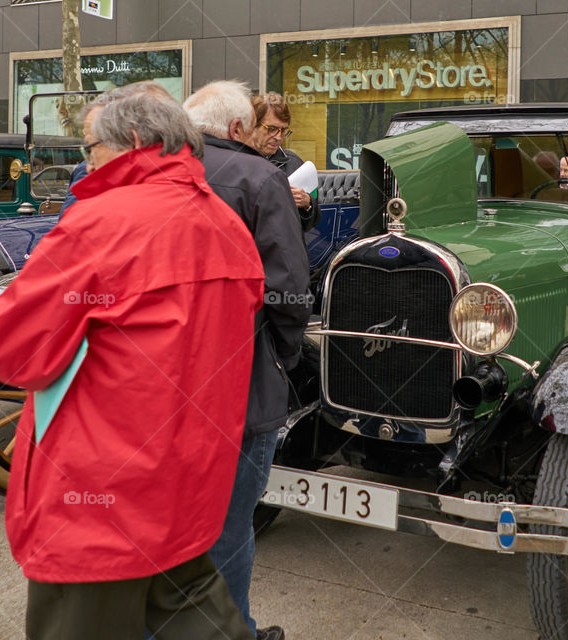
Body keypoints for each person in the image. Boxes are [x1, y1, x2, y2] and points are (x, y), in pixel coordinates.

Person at [0, 81, 264, 640]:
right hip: (187, 477)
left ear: (129, 140)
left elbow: (13, 353)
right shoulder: (227, 225)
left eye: (88, 147)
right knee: (197, 612)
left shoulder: (100, 223)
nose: (85, 160)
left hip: (99, 492)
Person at [184, 81, 312, 640]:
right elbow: (288, 287)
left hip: (168, 384)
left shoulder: (160, 173)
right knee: (231, 525)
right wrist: (283, 356)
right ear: (239, 128)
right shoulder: (260, 177)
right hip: (242, 380)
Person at [249, 93, 320, 231]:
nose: (278, 137)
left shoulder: (293, 163)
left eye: (283, 130)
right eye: (272, 129)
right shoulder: (236, 162)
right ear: (252, 125)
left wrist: (308, 204)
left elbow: (314, 221)